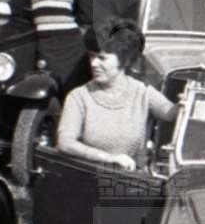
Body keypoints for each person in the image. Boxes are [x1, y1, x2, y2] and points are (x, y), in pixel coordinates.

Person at [56, 25, 177, 171]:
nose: (94, 63)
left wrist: (189, 102)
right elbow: (65, 142)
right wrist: (109, 158)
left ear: (124, 60)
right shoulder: (78, 97)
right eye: (92, 56)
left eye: (102, 58)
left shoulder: (142, 92)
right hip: (88, 175)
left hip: (132, 178)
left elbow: (172, 113)